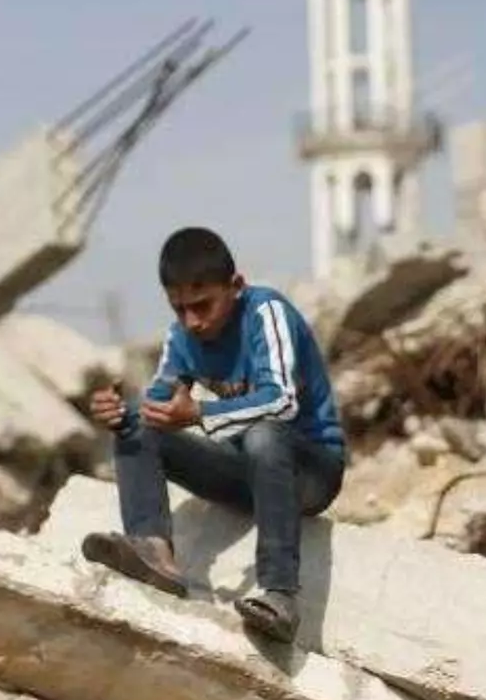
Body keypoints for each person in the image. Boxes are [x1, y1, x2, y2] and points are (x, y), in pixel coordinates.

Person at [81, 227, 346, 643]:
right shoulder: (181, 337)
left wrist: (201, 413)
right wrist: (117, 414)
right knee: (136, 423)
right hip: (246, 474)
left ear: (236, 286)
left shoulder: (266, 314)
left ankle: (280, 595)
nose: (193, 321)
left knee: (264, 435)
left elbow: (281, 403)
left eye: (202, 305)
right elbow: (160, 406)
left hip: (309, 472)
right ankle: (154, 553)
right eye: (179, 309)